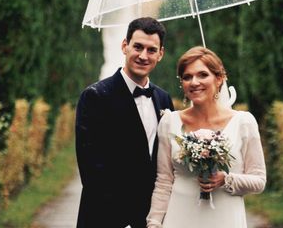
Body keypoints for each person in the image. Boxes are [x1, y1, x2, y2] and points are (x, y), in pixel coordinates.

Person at [147, 46, 266, 228]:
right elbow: (164, 181)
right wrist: (154, 222)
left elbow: (258, 181)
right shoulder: (169, 122)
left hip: (225, 218)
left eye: (202, 75)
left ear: (219, 79)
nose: (194, 82)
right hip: (179, 217)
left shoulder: (244, 122)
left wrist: (225, 179)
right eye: (187, 77)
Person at [76, 17, 175, 228]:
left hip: (152, 219)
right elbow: (92, 170)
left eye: (151, 50)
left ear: (161, 54)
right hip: (107, 217)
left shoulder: (163, 99)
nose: (143, 56)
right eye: (137, 47)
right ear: (124, 46)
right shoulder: (96, 96)